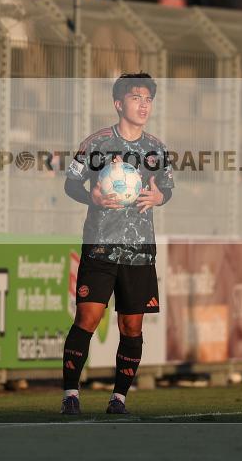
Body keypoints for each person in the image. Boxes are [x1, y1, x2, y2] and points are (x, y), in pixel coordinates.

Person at [60, 73, 174, 416]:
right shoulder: (96, 144)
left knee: (132, 326)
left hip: (139, 250)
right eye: (136, 97)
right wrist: (91, 194)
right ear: (118, 104)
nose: (143, 104)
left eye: (148, 99)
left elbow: (166, 188)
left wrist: (159, 196)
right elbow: (70, 183)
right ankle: (70, 395)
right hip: (100, 246)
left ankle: (118, 399)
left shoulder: (156, 148)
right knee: (87, 317)